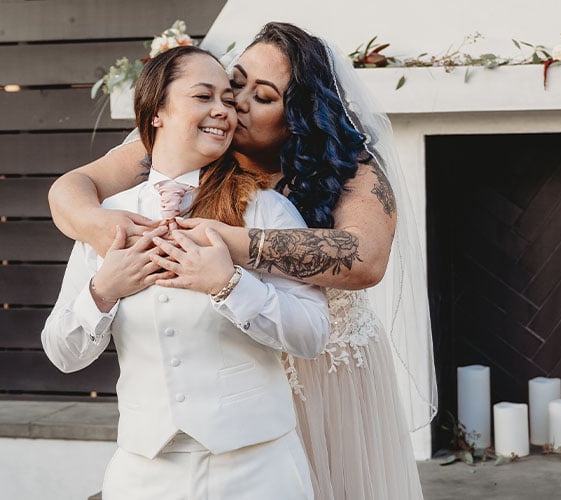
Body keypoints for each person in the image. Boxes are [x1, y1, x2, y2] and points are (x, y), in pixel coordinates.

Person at [49, 23, 437, 500]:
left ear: (298, 117)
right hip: (222, 381)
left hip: (328, 378)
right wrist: (103, 232)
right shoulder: (186, 142)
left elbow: (367, 259)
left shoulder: (347, 167)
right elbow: (70, 189)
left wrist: (225, 242)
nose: (236, 104)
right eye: (235, 85)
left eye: (265, 96)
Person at [41, 45, 330, 499]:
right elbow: (63, 352)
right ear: (157, 110)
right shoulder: (109, 219)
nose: (223, 110)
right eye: (203, 96)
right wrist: (103, 291)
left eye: (228, 101)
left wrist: (230, 285)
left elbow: (313, 334)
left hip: (258, 469)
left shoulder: (266, 210)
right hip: (143, 474)